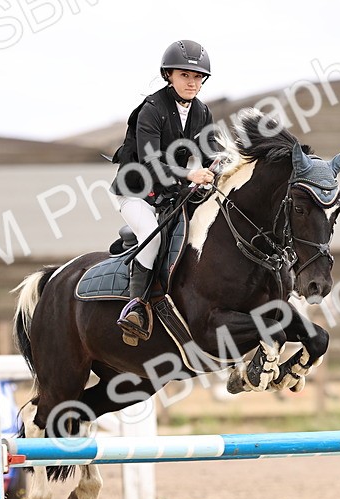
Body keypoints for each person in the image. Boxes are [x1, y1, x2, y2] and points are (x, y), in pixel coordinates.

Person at [109, 39, 219, 343]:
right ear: (168, 75)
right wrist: (190, 174)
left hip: (170, 193)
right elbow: (151, 162)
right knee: (152, 236)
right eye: (185, 75)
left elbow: (212, 155)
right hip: (135, 191)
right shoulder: (152, 109)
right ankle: (136, 307)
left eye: (198, 77)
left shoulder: (202, 112)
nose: (192, 82)